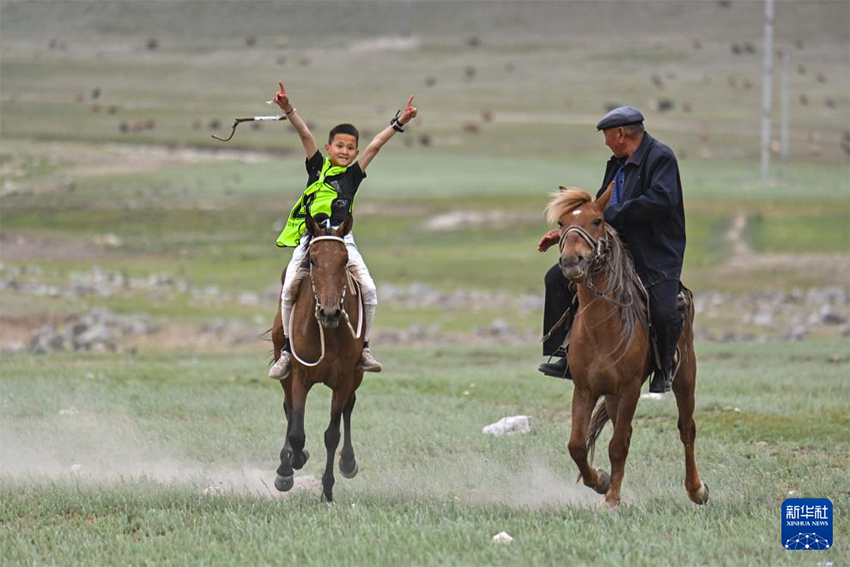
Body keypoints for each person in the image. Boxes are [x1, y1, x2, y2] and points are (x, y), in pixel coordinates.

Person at [268, 81, 418, 379]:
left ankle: (363, 347)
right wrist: (288, 109)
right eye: (340, 146)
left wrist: (400, 122)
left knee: (370, 289)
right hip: (312, 241)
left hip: (341, 242)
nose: (345, 151)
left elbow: (375, 145)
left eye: (350, 148)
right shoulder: (317, 167)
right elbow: (304, 133)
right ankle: (287, 351)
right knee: (288, 290)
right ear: (328, 148)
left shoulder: (353, 176)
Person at [538, 106, 686, 393]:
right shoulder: (616, 164)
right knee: (556, 278)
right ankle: (563, 355)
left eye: (606, 136)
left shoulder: (661, 158)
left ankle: (664, 368)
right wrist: (566, 233)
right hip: (617, 248)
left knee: (665, 310)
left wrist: (615, 214)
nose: (605, 142)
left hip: (656, 251)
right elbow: (598, 210)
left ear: (620, 134)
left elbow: (661, 200)